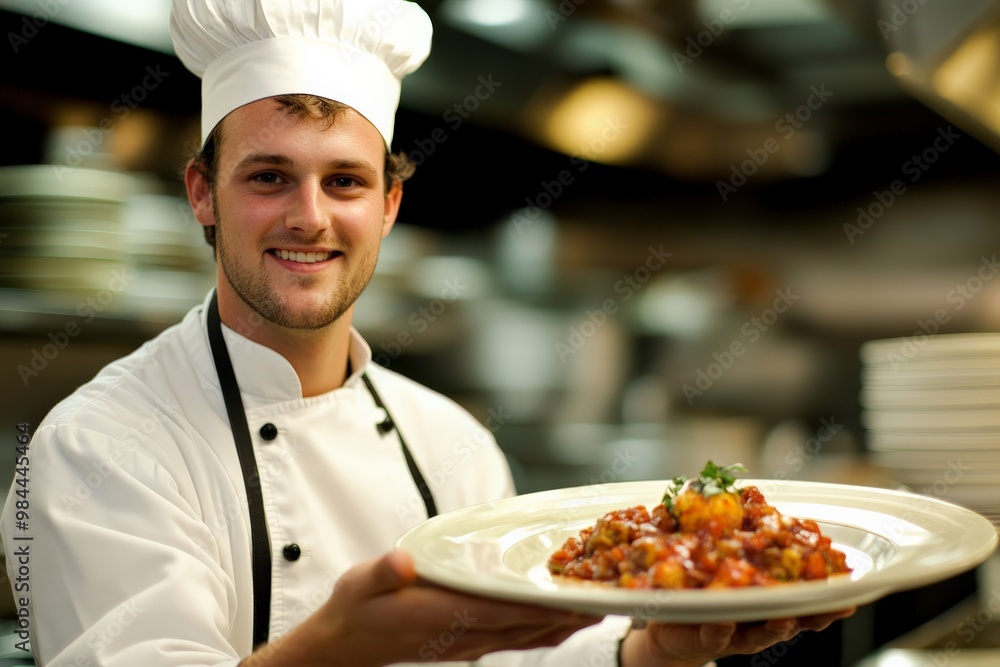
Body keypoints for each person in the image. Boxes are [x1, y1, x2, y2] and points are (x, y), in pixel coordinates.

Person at [1, 1, 854, 665]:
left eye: (345, 181)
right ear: (202, 194)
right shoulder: (96, 446)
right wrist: (343, 647)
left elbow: (521, 655)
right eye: (269, 176)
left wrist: (651, 650)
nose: (310, 217)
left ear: (389, 205)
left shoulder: (450, 441)